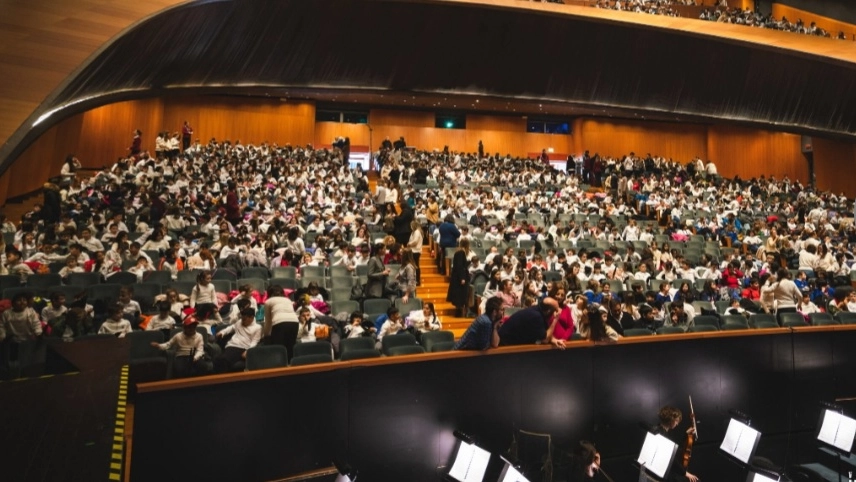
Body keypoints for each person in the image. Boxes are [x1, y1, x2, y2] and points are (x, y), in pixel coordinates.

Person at [651, 406, 699, 482]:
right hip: (663, 473)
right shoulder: (661, 434)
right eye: (676, 421)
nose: (677, 424)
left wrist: (686, 434)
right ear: (671, 419)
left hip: (666, 470)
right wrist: (685, 473)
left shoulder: (662, 430)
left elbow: (674, 446)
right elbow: (670, 459)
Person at [497, 297, 565, 348]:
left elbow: (545, 332)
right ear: (548, 311)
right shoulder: (536, 316)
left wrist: (554, 340)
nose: (557, 312)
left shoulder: (539, 311)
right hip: (503, 346)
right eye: (556, 310)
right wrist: (555, 320)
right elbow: (545, 339)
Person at [214, 307, 262, 373]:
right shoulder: (240, 322)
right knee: (218, 360)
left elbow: (255, 341)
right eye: (242, 318)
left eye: (244, 319)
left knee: (223, 360)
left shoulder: (258, 328)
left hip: (242, 347)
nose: (242, 320)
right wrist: (222, 332)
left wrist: (248, 351)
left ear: (252, 317)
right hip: (231, 345)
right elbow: (231, 328)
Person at [263, 284, 299, 362]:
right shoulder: (288, 300)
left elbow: (268, 321)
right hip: (294, 323)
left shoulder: (268, 301)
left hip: (280, 323)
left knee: (278, 349)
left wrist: (265, 335)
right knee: (290, 348)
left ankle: (279, 368)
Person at [447, 238, 471, 317]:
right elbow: (460, 266)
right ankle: (459, 314)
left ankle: (459, 313)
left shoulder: (459, 252)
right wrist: (462, 278)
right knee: (460, 296)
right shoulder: (461, 253)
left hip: (457, 277)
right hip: (459, 278)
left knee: (459, 296)